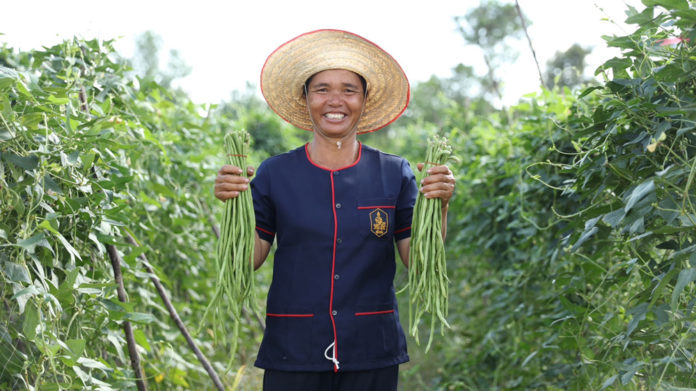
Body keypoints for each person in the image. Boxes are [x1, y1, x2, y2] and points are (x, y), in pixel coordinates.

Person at [214, 29, 455, 391]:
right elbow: (247, 259)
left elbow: (419, 262)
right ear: (306, 97)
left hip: (371, 347)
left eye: (348, 89)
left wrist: (440, 205)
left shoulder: (395, 173)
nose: (335, 100)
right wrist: (234, 207)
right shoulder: (275, 173)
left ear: (364, 99)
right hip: (293, 349)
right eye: (322, 89)